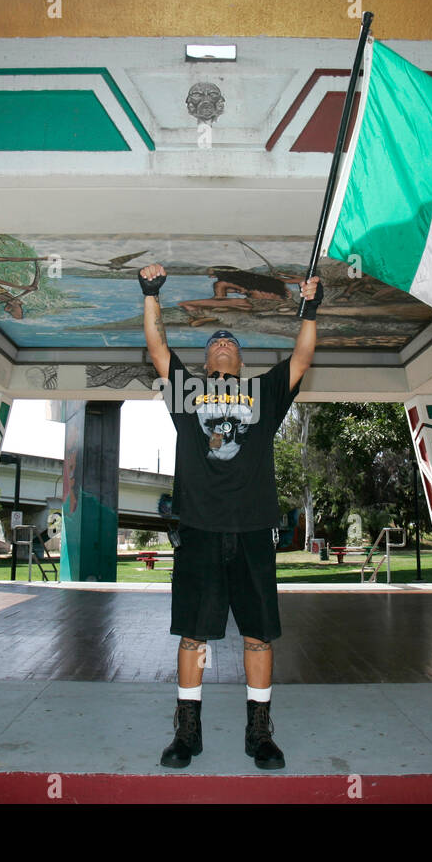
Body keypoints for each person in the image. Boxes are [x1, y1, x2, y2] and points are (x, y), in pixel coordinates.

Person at [139, 262, 321, 769]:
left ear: (241, 361)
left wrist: (311, 306)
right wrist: (151, 293)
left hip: (252, 533)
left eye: (233, 344)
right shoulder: (187, 394)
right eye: (216, 343)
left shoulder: (263, 394)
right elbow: (157, 350)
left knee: (259, 635)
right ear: (204, 360)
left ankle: (259, 733)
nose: (224, 343)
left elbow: (303, 356)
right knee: (193, 637)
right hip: (198, 531)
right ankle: (187, 733)